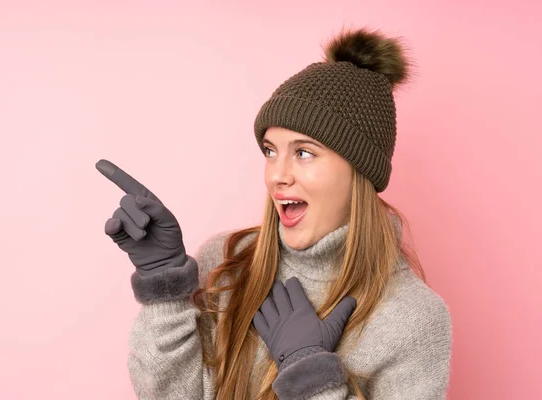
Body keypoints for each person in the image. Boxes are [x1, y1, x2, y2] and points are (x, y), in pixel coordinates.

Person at [96, 27, 452, 400]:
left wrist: (312, 378)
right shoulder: (227, 261)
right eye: (270, 150)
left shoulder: (413, 319)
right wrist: (165, 288)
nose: (277, 175)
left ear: (358, 171)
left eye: (303, 152)